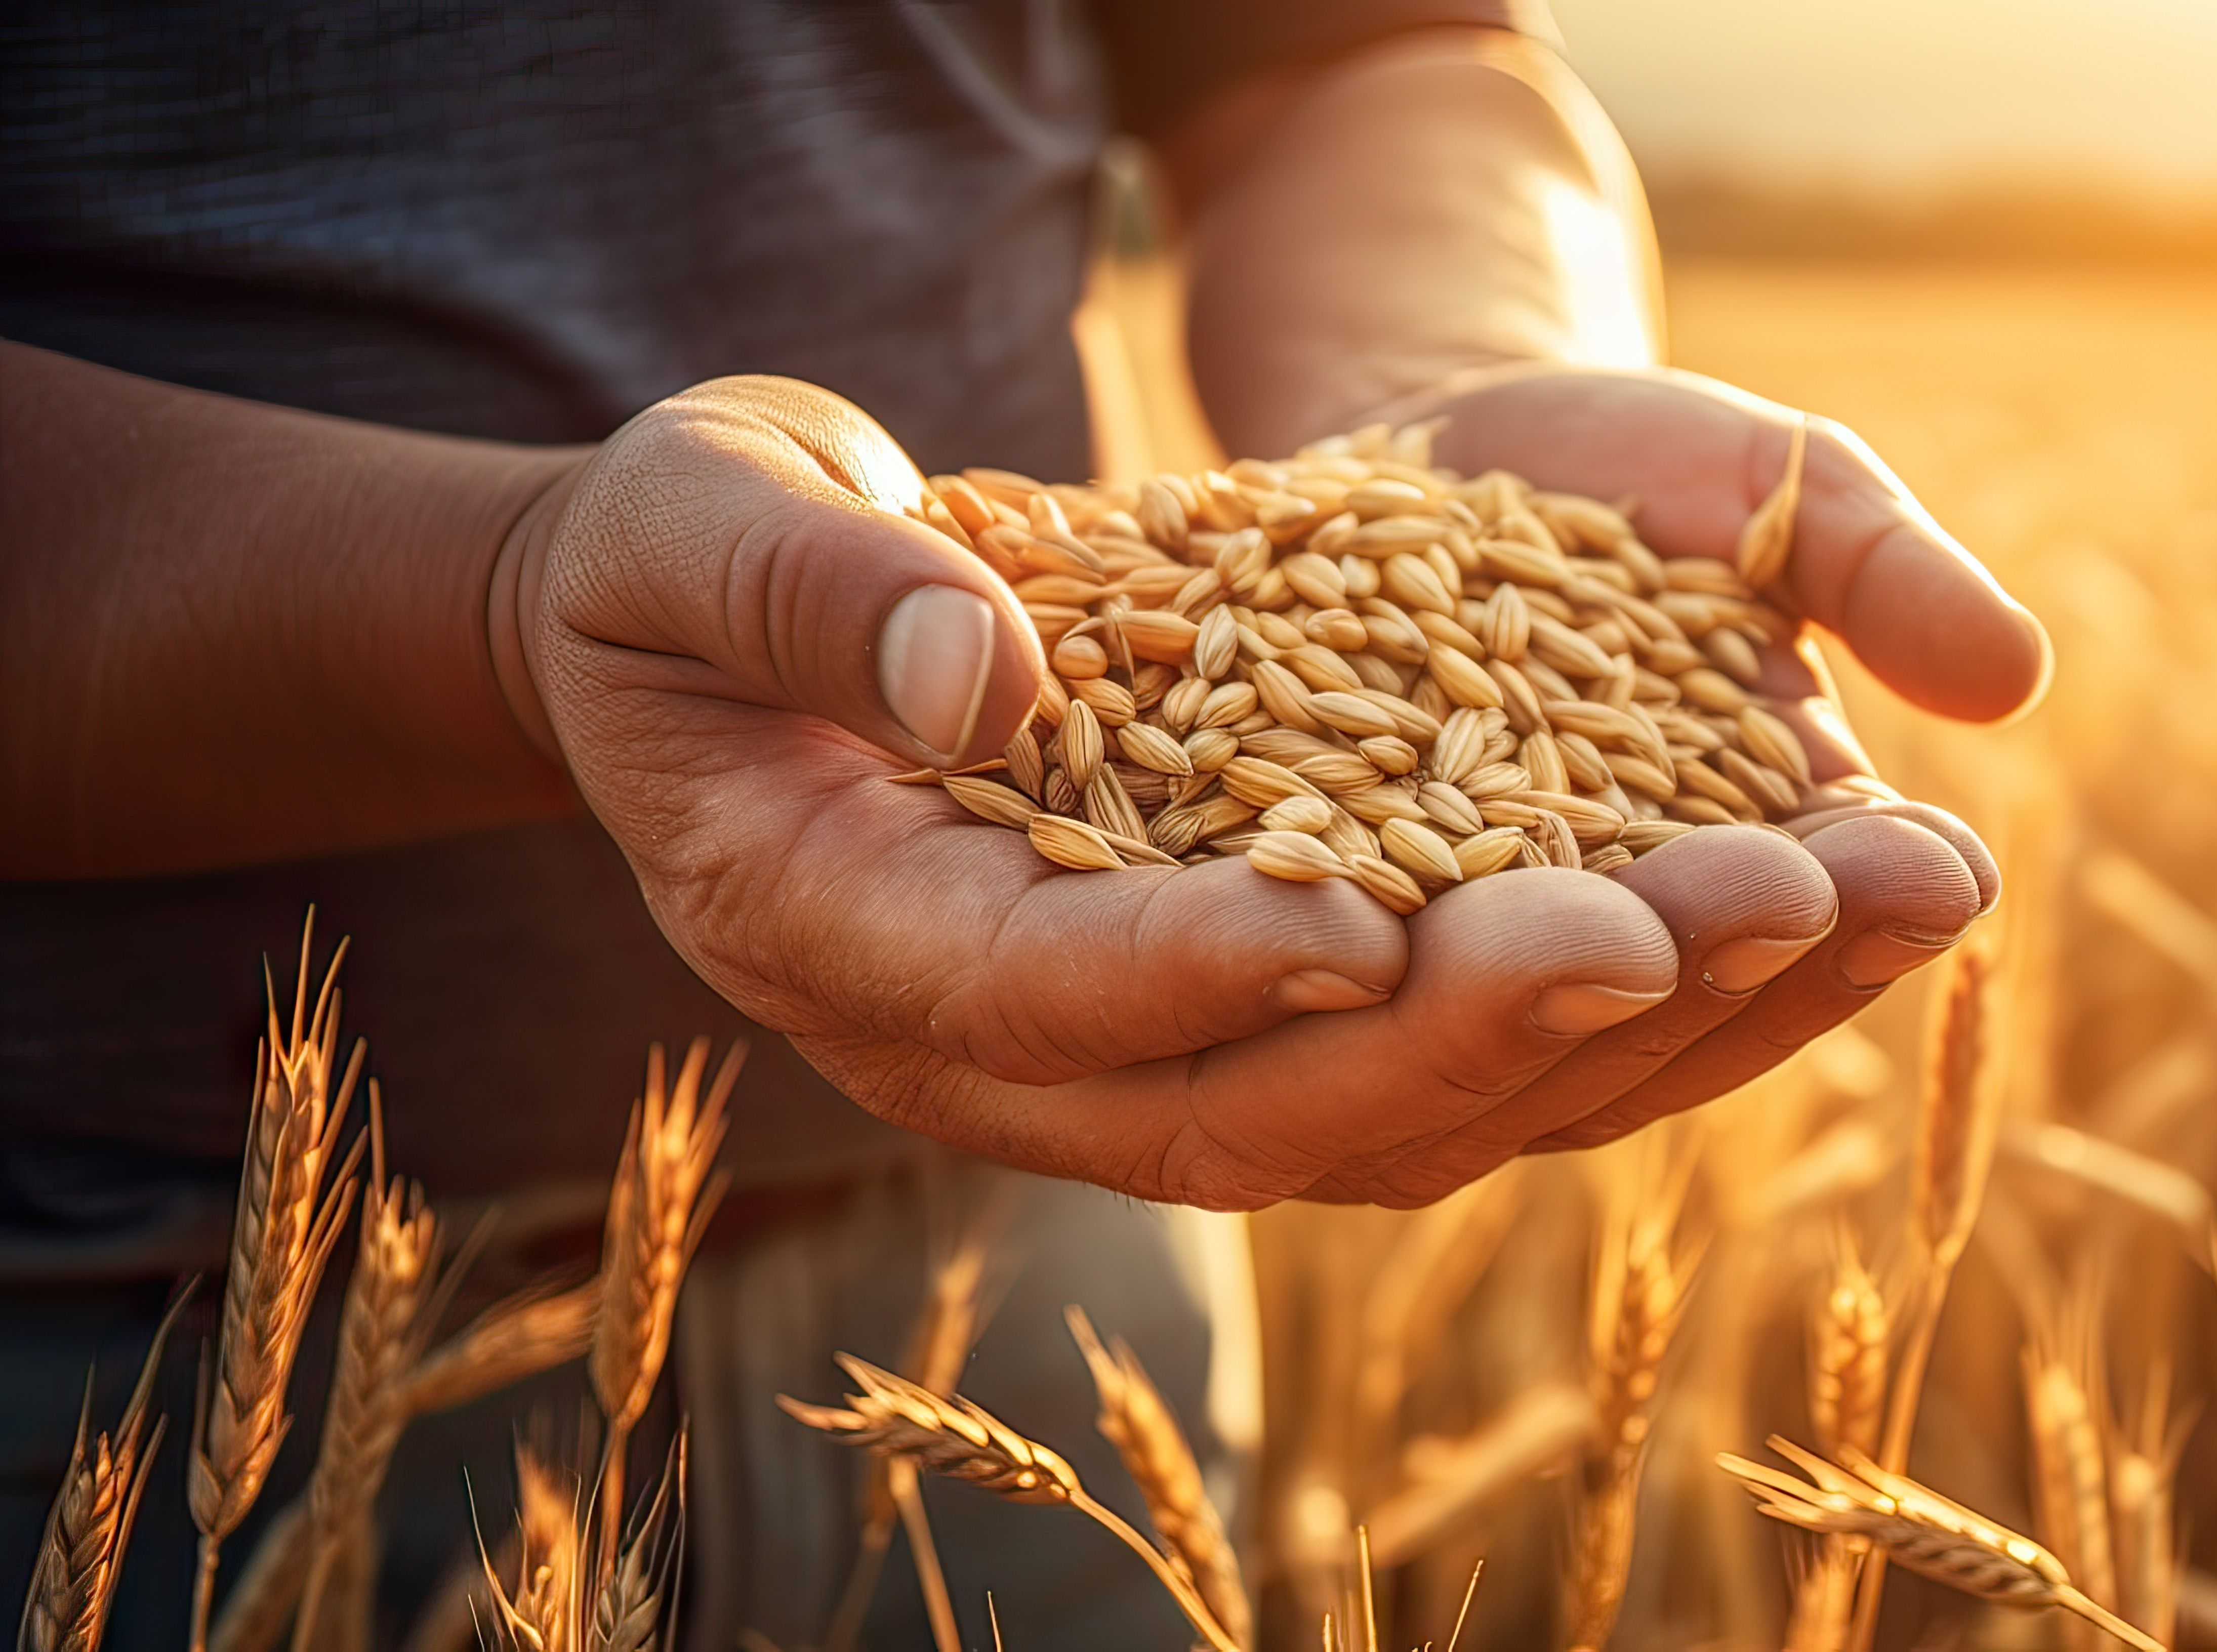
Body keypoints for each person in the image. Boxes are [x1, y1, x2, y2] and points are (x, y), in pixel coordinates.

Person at [0, 1, 2046, 1640]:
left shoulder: (1325, 714)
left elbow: (1351, 53)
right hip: (130, 1323)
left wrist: (1447, 377)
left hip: (1059, 1241)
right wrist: (498, 594)